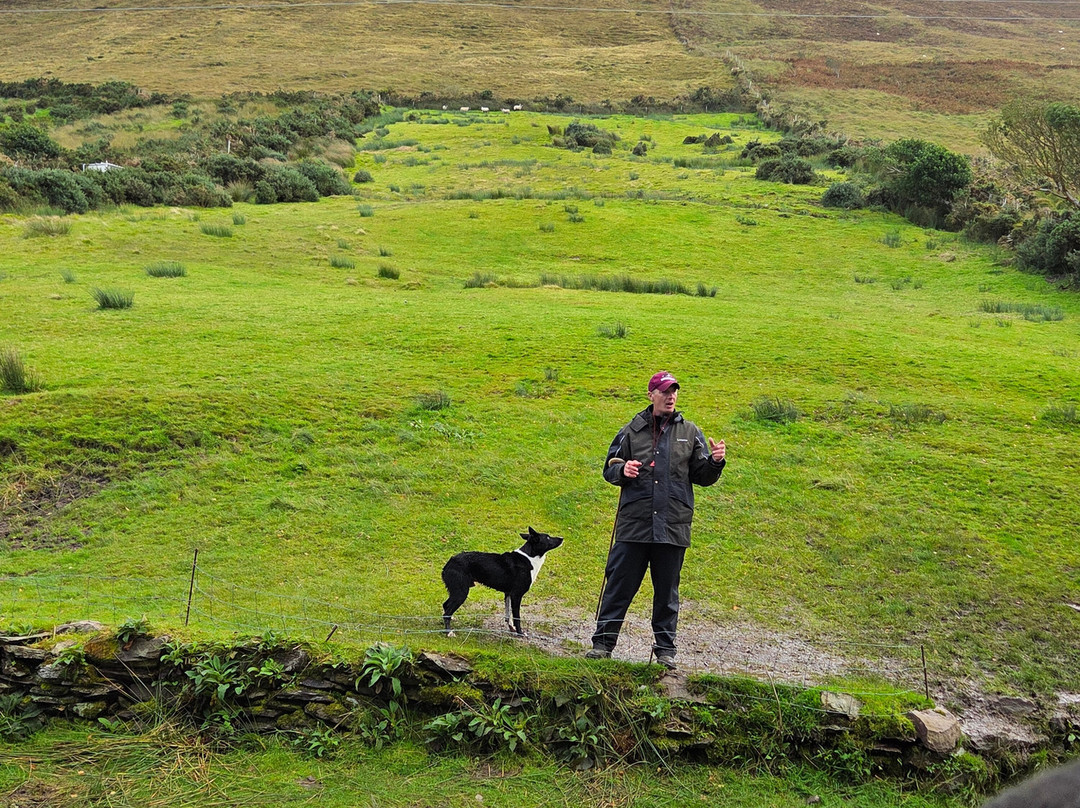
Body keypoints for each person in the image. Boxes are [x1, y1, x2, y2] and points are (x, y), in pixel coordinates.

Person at [586, 370, 726, 669]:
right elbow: (609, 468)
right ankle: (602, 646)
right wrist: (622, 471)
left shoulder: (691, 432)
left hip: (673, 526)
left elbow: (702, 477)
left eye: (674, 391)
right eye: (664, 391)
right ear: (651, 394)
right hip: (633, 525)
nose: (671, 396)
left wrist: (715, 462)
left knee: (667, 595)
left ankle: (665, 652)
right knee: (618, 587)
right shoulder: (631, 430)